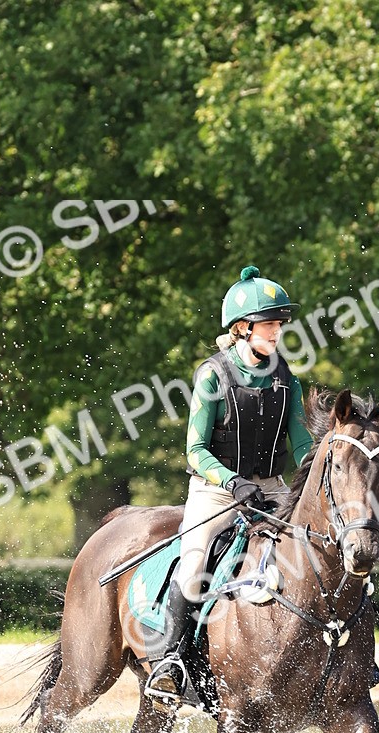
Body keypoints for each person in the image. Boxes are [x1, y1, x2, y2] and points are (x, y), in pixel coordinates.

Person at [145, 265, 314, 702]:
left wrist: (313, 477)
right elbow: (195, 450)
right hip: (216, 487)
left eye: (279, 324)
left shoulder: (286, 379)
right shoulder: (212, 377)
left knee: (316, 545)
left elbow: (301, 444)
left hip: (271, 487)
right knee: (196, 559)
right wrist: (234, 482)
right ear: (243, 328)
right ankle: (171, 662)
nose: (277, 331)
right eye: (270, 324)